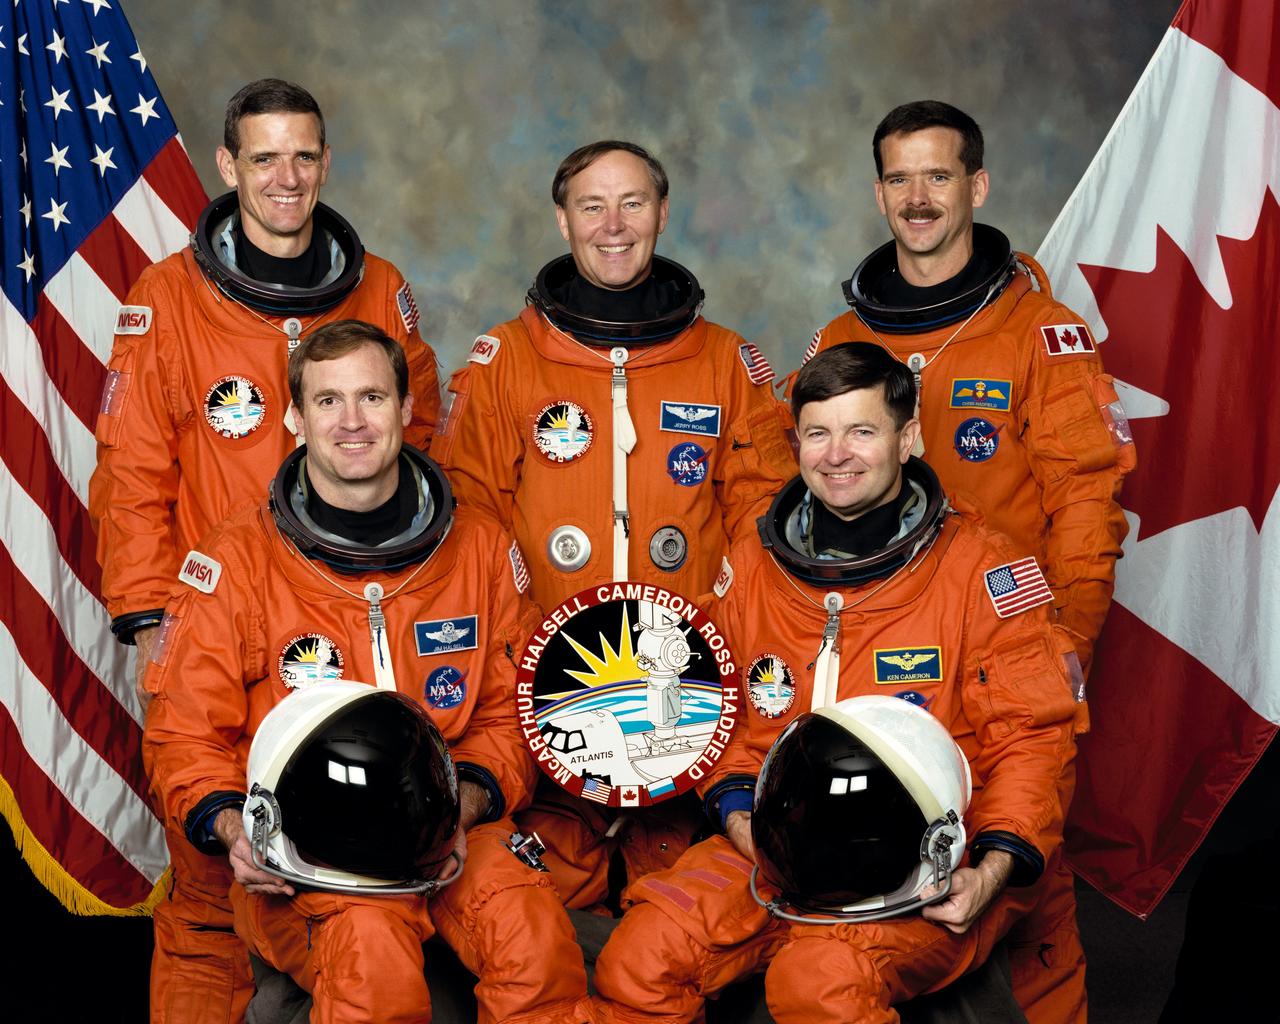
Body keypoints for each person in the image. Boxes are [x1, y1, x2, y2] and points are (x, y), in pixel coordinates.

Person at [88, 78, 440, 1022]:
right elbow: (130, 478)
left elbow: (427, 447)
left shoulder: (381, 288)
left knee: (359, 872)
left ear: (325, 162)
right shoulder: (166, 299)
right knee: (212, 889)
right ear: (226, 166)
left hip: (353, 633)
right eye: (264, 156)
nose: (286, 177)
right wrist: (151, 621)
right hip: (217, 632)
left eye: (304, 155)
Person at [591, 342, 1076, 1024]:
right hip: (773, 845)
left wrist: (990, 872)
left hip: (922, 862)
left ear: (909, 438)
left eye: (862, 431)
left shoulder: (983, 572)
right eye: (818, 433)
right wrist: (739, 819)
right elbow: (716, 713)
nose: (836, 454)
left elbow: (1034, 741)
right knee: (639, 959)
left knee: (821, 981)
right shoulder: (756, 562)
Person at [141, 322, 592, 1024]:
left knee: (531, 938)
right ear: (294, 417)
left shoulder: (478, 549)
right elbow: (183, 736)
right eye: (328, 402)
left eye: (372, 397)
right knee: (370, 956)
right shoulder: (237, 561)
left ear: (407, 408)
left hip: (450, 836)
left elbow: (510, 715)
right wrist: (240, 835)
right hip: (308, 853)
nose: (352, 422)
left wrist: (459, 811)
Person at [801, 100, 1136, 1021]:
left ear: (976, 187)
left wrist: (1061, 644)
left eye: (938, 175)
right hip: (879, 668)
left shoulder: (1042, 334)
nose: (918, 197)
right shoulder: (839, 342)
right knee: (865, 902)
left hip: (1002, 656)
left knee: (1020, 888)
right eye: (900, 178)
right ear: (879, 194)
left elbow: (1087, 505)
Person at [430, 140, 795, 911]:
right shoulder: (507, 361)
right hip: (547, 677)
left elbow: (766, 528)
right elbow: (472, 531)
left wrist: (716, 649)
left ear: (662, 213)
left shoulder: (728, 362)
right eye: (592, 206)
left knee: (691, 917)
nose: (613, 225)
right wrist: (525, 648)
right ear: (563, 220)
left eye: (632, 203)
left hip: (692, 681)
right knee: (542, 914)